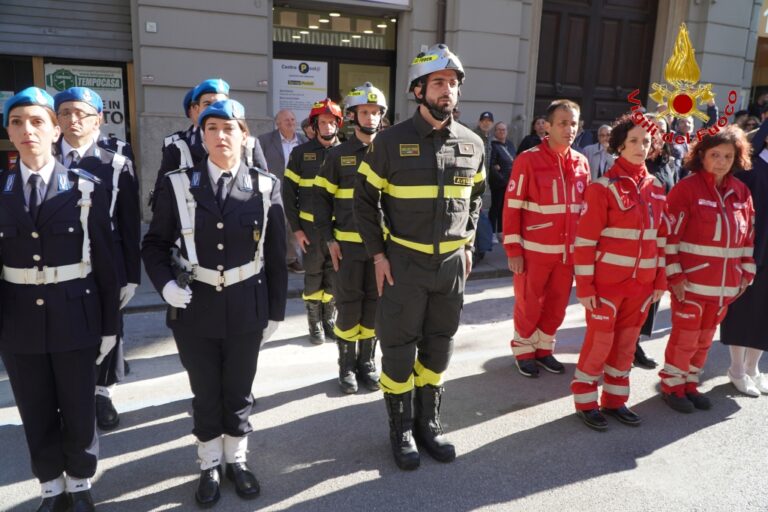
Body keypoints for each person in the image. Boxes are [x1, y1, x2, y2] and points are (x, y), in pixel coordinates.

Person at [142, 99, 287, 506]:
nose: (221, 136)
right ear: (201, 136)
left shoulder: (265, 186)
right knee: (205, 391)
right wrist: (166, 285)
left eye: (229, 128)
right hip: (194, 308)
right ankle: (208, 464)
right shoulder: (178, 184)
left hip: (247, 306)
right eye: (212, 129)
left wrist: (275, 311)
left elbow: (276, 256)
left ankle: (236, 461)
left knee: (239, 391)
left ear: (244, 135)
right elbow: (153, 245)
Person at [355, 43, 485, 470]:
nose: (448, 91)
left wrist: (466, 243)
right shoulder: (389, 142)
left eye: (453, 84)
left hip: (449, 269)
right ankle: (402, 428)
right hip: (404, 263)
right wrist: (378, 256)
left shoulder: (472, 143)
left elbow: (478, 198)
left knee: (438, 348)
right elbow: (363, 202)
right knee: (397, 350)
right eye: (439, 83)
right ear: (418, 90)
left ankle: (428, 423)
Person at [0, 87, 118, 512]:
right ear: (8, 132)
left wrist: (109, 328)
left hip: (76, 317)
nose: (27, 130)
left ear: (55, 130)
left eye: (37, 121)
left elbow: (107, 265)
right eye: (17, 122)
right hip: (19, 323)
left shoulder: (86, 188)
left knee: (79, 406)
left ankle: (81, 484)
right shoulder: (2, 189)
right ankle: (51, 488)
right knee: (34, 408)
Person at [571, 113, 667, 431]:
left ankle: (614, 400)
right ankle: (585, 400)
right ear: (620, 145)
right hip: (606, 287)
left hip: (641, 288)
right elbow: (584, 243)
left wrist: (659, 282)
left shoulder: (657, 189)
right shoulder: (602, 188)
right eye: (634, 141)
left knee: (626, 345)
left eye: (646, 142)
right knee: (599, 343)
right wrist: (584, 286)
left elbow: (662, 241)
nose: (641, 147)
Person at [52, 87, 141, 432]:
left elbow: (130, 219)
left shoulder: (115, 161)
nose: (73, 120)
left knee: (110, 325)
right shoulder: (45, 157)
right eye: (65, 113)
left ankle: (103, 392)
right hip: (59, 259)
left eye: (82, 113)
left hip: (107, 259)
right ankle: (69, 394)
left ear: (98, 119)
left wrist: (132, 273)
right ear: (56, 120)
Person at [660, 126, 755, 411]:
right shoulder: (686, 189)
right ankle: (672, 386)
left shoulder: (742, 192)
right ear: (701, 155)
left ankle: (690, 383)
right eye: (715, 154)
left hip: (724, 287)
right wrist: (674, 275)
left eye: (728, 156)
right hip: (690, 284)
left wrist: (746, 274)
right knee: (685, 338)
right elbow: (668, 237)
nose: (721, 161)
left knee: (703, 341)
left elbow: (748, 236)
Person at [502, 99, 590, 377]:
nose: (569, 129)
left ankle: (544, 349)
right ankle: (524, 350)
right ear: (547, 127)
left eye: (573, 123)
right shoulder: (527, 160)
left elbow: (586, 212)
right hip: (533, 251)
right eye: (563, 123)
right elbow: (511, 207)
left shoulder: (582, 163)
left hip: (567, 253)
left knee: (556, 306)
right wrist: (513, 250)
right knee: (529, 304)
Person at [314, 82, 386, 394]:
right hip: (347, 248)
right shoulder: (337, 156)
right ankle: (346, 366)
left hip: (382, 250)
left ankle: (367, 363)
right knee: (349, 307)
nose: (370, 118)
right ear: (353, 116)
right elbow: (319, 200)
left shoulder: (391, 151)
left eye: (375, 112)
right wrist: (329, 240)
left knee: (374, 308)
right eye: (365, 112)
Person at [151, 78, 268, 209]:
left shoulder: (249, 144)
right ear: (195, 109)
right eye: (208, 104)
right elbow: (162, 197)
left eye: (221, 102)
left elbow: (265, 191)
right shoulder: (178, 147)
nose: (215, 107)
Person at [283, 99, 342, 345]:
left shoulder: (347, 152)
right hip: (310, 230)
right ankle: (314, 322)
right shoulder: (300, 153)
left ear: (338, 125)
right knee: (313, 275)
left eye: (331, 122)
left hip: (339, 230)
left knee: (334, 276)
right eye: (323, 122)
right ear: (314, 126)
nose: (327, 127)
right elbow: (287, 194)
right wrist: (297, 230)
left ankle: (329, 319)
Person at [720, 120, 768, 396]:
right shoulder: (748, 169)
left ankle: (753, 368)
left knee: (765, 315)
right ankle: (737, 369)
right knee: (743, 311)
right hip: (750, 251)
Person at [633, 113, 677, 371]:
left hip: (662, 238)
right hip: (638, 241)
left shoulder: (670, 163)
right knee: (634, 299)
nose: (657, 135)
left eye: (661, 130)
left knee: (653, 297)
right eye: (653, 130)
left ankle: (635, 343)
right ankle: (626, 347)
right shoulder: (637, 163)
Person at [258, 109, 308, 274]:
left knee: (294, 225)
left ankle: (291, 259)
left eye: (293, 119)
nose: (291, 122)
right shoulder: (265, 140)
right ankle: (270, 258)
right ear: (278, 123)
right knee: (275, 224)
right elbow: (257, 165)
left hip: (297, 191)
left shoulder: (303, 141)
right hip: (273, 190)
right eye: (286, 120)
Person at [488, 121, 516, 235]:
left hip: (510, 182)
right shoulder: (493, 145)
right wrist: (502, 178)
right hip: (498, 182)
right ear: (495, 132)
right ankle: (491, 232)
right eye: (499, 129)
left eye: (503, 130)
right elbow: (492, 165)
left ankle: (500, 230)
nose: (501, 132)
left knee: (504, 208)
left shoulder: (510, 144)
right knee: (496, 207)